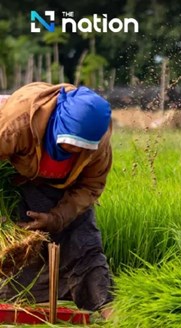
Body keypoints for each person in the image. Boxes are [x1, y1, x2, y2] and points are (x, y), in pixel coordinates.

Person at [0, 82, 114, 317]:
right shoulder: (17, 122)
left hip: (64, 190)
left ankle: (111, 312)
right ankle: (19, 308)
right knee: (19, 253)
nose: (73, 150)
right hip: (15, 179)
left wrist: (57, 218)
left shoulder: (99, 142)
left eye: (82, 147)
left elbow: (90, 186)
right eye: (68, 143)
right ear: (57, 125)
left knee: (85, 246)